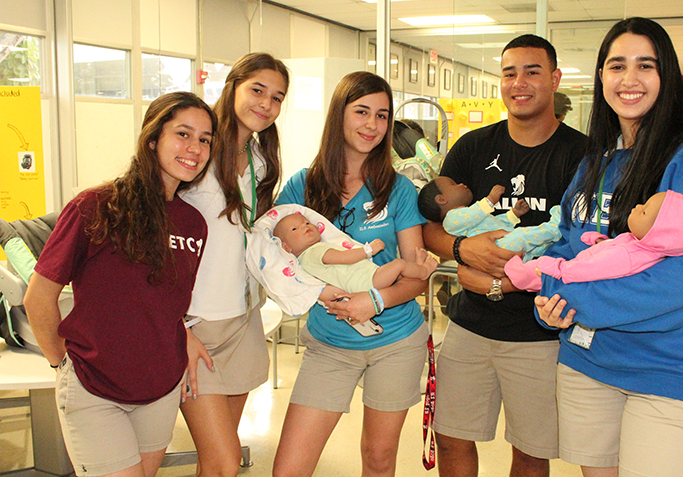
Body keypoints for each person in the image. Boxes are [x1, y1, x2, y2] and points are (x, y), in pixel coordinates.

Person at [534, 17, 683, 477]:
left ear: (666, 75)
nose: (629, 79)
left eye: (645, 65)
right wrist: (547, 300)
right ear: (601, 77)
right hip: (589, 361)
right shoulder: (597, 163)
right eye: (616, 66)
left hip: (671, 373)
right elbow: (571, 249)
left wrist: (572, 298)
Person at [24, 92, 214, 477]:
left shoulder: (194, 224)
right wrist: (61, 363)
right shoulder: (95, 206)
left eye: (205, 139)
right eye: (183, 134)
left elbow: (164, 304)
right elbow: (38, 297)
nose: (195, 148)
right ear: (152, 139)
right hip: (94, 389)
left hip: (159, 390)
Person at [422, 34, 587, 477]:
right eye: (509, 72)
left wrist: (503, 282)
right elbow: (431, 226)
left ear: (554, 79)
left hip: (541, 334)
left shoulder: (583, 156)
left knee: (531, 451)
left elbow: (587, 247)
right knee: (451, 435)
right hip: (469, 325)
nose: (519, 82)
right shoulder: (474, 147)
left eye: (532, 71)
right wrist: (462, 248)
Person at [272, 71, 430, 477]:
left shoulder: (398, 190)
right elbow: (276, 262)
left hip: (396, 339)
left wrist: (373, 300)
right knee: (289, 468)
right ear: (339, 115)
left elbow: (419, 273)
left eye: (382, 115)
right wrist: (324, 295)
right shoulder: (302, 186)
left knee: (378, 460)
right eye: (361, 112)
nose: (372, 125)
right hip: (329, 342)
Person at [178, 53, 289, 477]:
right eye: (257, 90)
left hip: (243, 320)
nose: (266, 103)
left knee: (217, 462)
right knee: (224, 462)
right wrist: (179, 326)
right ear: (233, 87)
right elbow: (160, 242)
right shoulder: (198, 152)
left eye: (277, 97)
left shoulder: (260, 159)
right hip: (197, 324)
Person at [505, 190, 683, 292]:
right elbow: (616, 245)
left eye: (645, 211)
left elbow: (593, 269)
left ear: (656, 235)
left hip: (569, 272)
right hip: (580, 264)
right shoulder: (638, 245)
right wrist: (600, 241)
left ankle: (521, 275)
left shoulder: (627, 256)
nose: (638, 206)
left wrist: (559, 268)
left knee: (535, 270)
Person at [273, 211, 437, 292]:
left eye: (307, 223)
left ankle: (417, 266)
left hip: (365, 281)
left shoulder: (311, 256)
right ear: (286, 247)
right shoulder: (313, 253)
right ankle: (422, 271)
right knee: (399, 264)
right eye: (295, 229)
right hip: (367, 282)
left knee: (398, 272)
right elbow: (344, 257)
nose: (304, 226)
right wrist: (368, 250)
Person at [418, 177, 562, 262]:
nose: (462, 184)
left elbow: (496, 224)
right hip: (497, 247)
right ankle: (555, 228)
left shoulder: (472, 217)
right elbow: (475, 213)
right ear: (441, 199)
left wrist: (513, 214)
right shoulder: (451, 220)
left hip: (503, 244)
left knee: (531, 245)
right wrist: (490, 200)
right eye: (454, 185)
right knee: (524, 235)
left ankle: (548, 245)